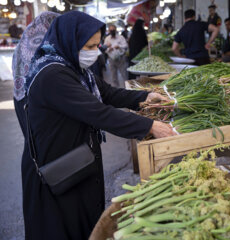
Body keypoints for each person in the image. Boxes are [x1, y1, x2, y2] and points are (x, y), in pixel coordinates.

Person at [23, 11, 175, 240]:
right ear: (68, 40)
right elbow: (98, 113)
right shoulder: (52, 75)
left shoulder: (75, 68)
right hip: (55, 167)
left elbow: (107, 93)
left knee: (83, 221)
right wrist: (149, 126)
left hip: (76, 160)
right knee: (60, 227)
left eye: (97, 45)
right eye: (88, 46)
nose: (94, 52)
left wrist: (143, 97)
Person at [12, 11, 60, 138]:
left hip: (20, 96)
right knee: (41, 143)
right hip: (37, 100)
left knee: (31, 141)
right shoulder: (45, 46)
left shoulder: (22, 44)